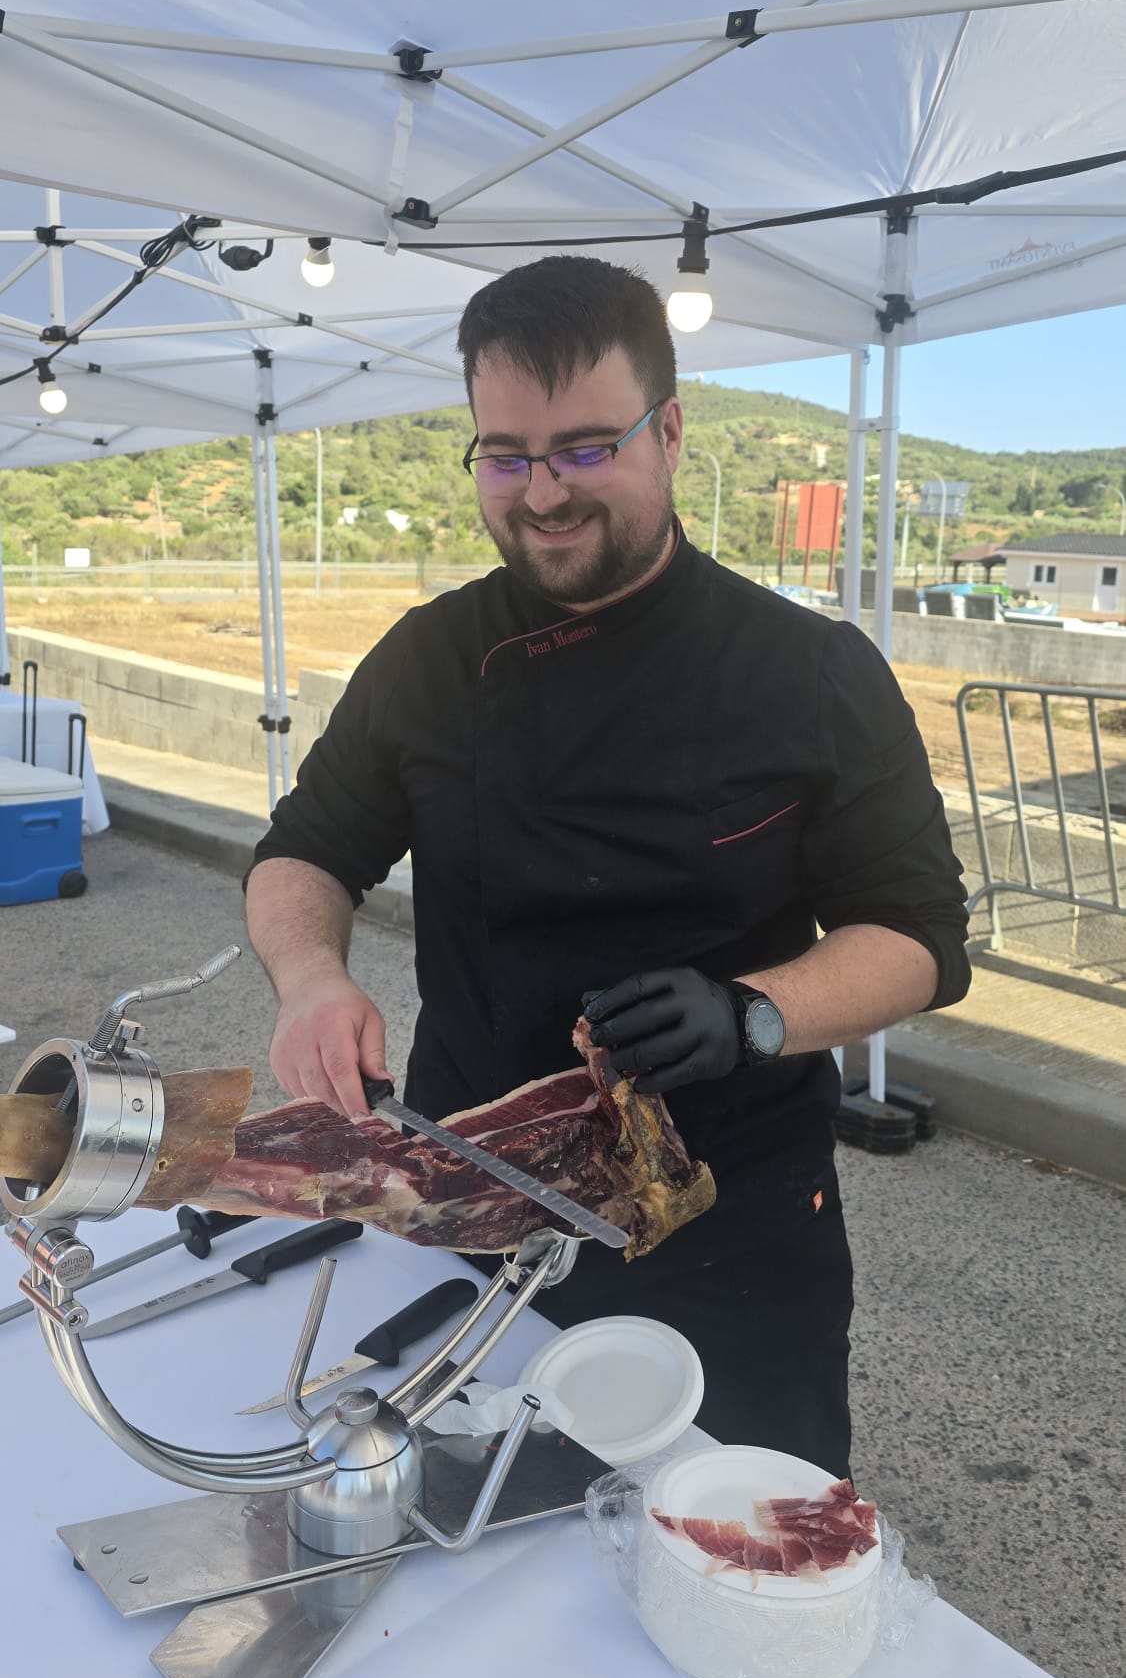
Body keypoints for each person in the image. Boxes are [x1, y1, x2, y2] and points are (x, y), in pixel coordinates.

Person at [245, 255, 970, 1478]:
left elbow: (918, 938)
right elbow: (305, 848)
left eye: (585, 449)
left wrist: (754, 1010)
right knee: (462, 1539)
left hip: (725, 1224)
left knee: (735, 1537)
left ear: (669, 431)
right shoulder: (430, 656)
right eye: (506, 454)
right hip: (472, 1192)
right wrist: (311, 978)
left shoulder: (813, 671)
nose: (543, 493)